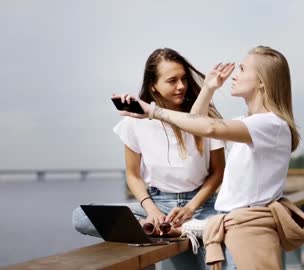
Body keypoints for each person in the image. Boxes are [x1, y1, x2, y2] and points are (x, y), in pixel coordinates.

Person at [116, 46, 304, 270]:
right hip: (234, 227)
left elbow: (208, 127)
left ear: (262, 80)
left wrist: (151, 111)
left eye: (242, 68)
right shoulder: (251, 123)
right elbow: (198, 126)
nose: (235, 74)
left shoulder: (269, 124)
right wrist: (208, 89)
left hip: (250, 234)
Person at [72, 48, 225, 270]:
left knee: (233, 228)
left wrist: (191, 208)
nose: (181, 86)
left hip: (200, 207)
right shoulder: (134, 122)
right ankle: (152, 229)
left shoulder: (205, 117)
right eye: (172, 81)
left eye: (183, 79)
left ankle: (179, 229)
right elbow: (133, 175)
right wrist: (152, 211)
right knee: (80, 216)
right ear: (153, 85)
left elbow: (218, 172)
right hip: (157, 204)